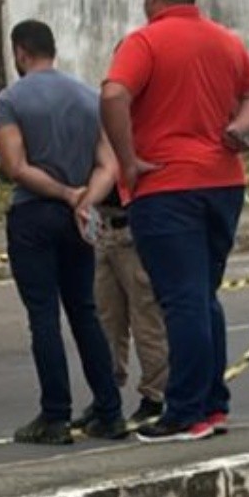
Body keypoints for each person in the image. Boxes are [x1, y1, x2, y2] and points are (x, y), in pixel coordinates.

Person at [101, 0, 249, 443]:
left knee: (182, 301)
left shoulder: (145, 41)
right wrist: (238, 129)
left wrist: (127, 161)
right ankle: (212, 405)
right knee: (202, 295)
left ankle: (186, 411)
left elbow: (113, 96)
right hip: (223, 183)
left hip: (167, 185)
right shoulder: (226, 40)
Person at [0, 20, 126, 444]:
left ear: (20, 52)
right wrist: (86, 200)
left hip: (35, 215)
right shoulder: (89, 96)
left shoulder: (10, 100)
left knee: (44, 316)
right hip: (78, 222)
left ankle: (55, 416)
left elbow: (16, 166)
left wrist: (66, 193)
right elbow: (110, 165)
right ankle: (109, 409)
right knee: (85, 312)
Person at [91, 184, 168, 431]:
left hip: (133, 228)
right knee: (106, 320)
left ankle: (155, 396)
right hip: (102, 227)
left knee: (146, 320)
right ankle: (106, 394)